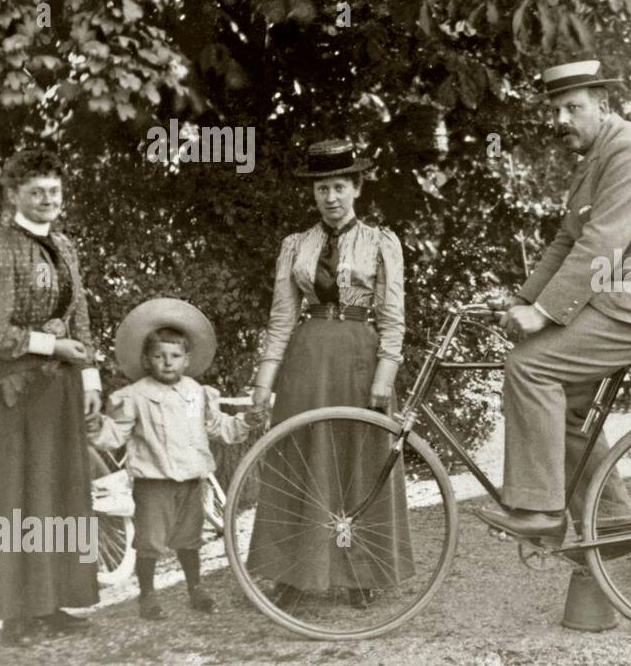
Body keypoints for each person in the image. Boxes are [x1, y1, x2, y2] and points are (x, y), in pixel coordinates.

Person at [477, 59, 631, 539]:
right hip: (620, 298)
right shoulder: (595, 158)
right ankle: (614, 522)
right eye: (555, 110)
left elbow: (603, 243)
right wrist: (520, 300)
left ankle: (540, 512)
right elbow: (566, 241)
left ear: (603, 105)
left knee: (530, 366)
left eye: (572, 107)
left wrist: (541, 314)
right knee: (566, 409)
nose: (560, 120)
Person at [246, 138, 410, 609]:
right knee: (300, 458)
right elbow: (281, 318)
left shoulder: (381, 243)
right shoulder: (296, 245)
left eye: (339, 187)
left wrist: (384, 376)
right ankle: (293, 574)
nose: (330, 198)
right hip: (307, 360)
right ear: (313, 193)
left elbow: (393, 319)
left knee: (358, 458)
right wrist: (263, 383)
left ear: (356, 187)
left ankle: (361, 574)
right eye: (322, 189)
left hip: (360, 358)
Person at [87, 300, 254, 620]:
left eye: (175, 356)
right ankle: (147, 595)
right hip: (153, 482)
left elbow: (220, 428)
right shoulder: (133, 396)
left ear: (187, 359)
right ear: (147, 360)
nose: (167, 363)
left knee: (189, 539)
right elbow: (115, 436)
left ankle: (195, 588)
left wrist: (247, 421)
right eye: (159, 356)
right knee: (149, 541)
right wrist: (96, 426)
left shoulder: (197, 393)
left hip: (192, 480)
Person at [0, 148, 102, 646]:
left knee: (59, 492)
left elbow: (79, 314)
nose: (46, 200)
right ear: (13, 193)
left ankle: (52, 601)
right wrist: (49, 344)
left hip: (60, 386)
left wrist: (92, 378)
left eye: (53, 191)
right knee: (18, 497)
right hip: (16, 391)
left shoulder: (64, 245)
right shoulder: (2, 245)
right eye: (35, 192)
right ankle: (16, 615)